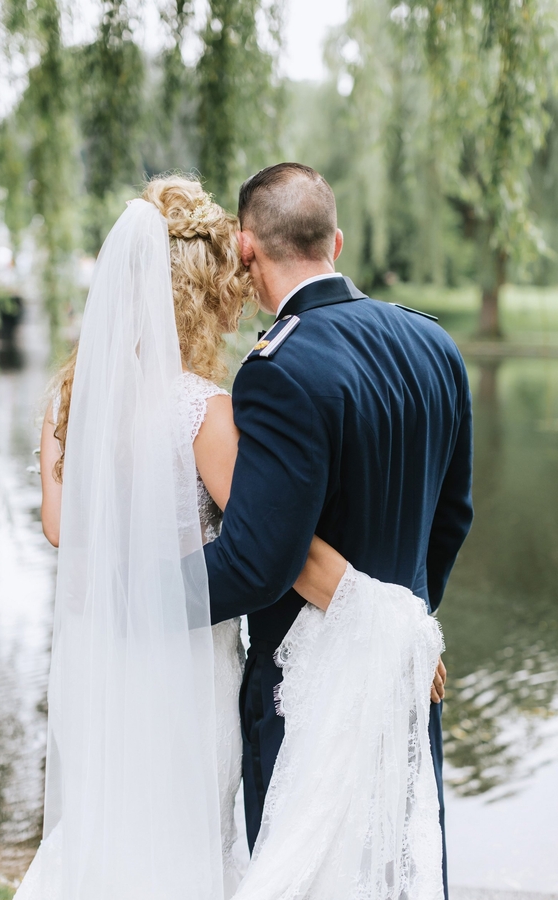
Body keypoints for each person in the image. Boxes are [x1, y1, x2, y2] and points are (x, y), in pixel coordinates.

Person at [21, 172, 458, 900]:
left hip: (108, 651)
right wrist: (394, 618)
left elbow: (64, 528)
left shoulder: (73, 401)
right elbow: (284, 548)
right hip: (190, 660)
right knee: (194, 838)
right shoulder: (206, 409)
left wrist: (125, 587)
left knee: (112, 825)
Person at [204, 163, 474, 899]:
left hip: (307, 691)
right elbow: (453, 517)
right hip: (404, 678)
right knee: (398, 869)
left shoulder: (278, 368)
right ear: (337, 242)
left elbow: (258, 565)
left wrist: (132, 587)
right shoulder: (435, 346)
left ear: (246, 248)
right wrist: (402, 623)